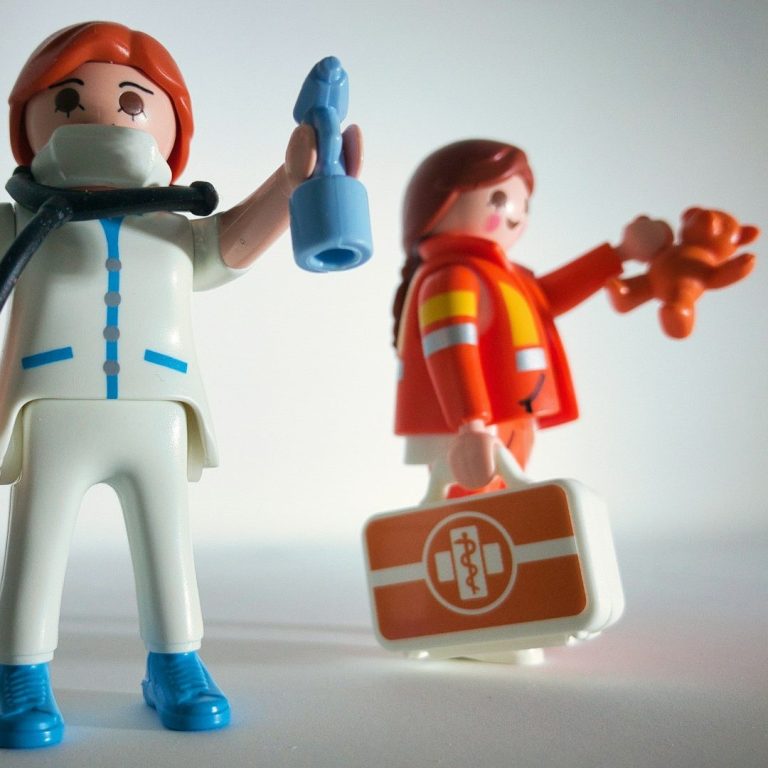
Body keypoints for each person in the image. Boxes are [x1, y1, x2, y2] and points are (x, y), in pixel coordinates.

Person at [0, 21, 361, 748]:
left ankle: (177, 663)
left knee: (167, 543)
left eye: (133, 102)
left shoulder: (175, 225)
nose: (103, 118)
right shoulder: (22, 221)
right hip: (52, 404)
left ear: (172, 128)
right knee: (37, 543)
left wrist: (292, 180)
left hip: (158, 409)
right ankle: (19, 672)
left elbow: (242, 237)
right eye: (68, 100)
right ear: (26, 122)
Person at [392, 139, 670, 499]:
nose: (515, 214)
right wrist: (470, 422)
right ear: (440, 205)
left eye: (524, 204)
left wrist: (621, 254)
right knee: (474, 504)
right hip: (478, 425)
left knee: (502, 500)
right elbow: (450, 351)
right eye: (498, 199)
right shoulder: (449, 279)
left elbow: (548, 298)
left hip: (512, 412)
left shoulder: (503, 276)